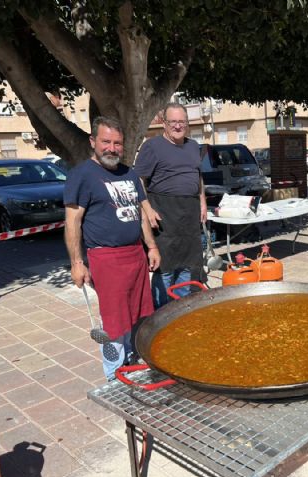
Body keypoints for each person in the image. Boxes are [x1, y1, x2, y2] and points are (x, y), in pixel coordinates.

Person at [64, 116, 160, 380]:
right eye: (106, 141)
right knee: (115, 322)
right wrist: (77, 263)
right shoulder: (82, 175)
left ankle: (133, 364)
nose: (112, 148)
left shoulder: (129, 173)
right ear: (93, 141)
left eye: (117, 143)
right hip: (106, 258)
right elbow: (73, 221)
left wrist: (151, 247)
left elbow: (140, 214)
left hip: (135, 256)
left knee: (138, 316)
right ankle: (114, 378)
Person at [134, 102, 207, 309]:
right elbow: (138, 180)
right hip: (164, 215)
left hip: (189, 215)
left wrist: (202, 202)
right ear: (164, 123)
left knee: (186, 266)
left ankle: (181, 312)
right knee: (165, 270)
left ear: (187, 123)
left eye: (182, 122)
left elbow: (198, 175)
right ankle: (160, 316)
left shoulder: (193, 146)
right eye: (173, 122)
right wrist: (147, 209)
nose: (178, 126)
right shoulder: (152, 146)